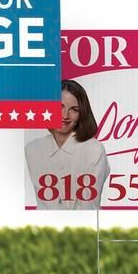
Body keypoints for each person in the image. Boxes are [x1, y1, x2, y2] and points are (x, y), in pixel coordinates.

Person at [25, 80, 110, 210]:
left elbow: (89, 206)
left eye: (74, 110)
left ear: (82, 113)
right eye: (60, 107)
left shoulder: (94, 149)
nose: (65, 115)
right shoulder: (33, 149)